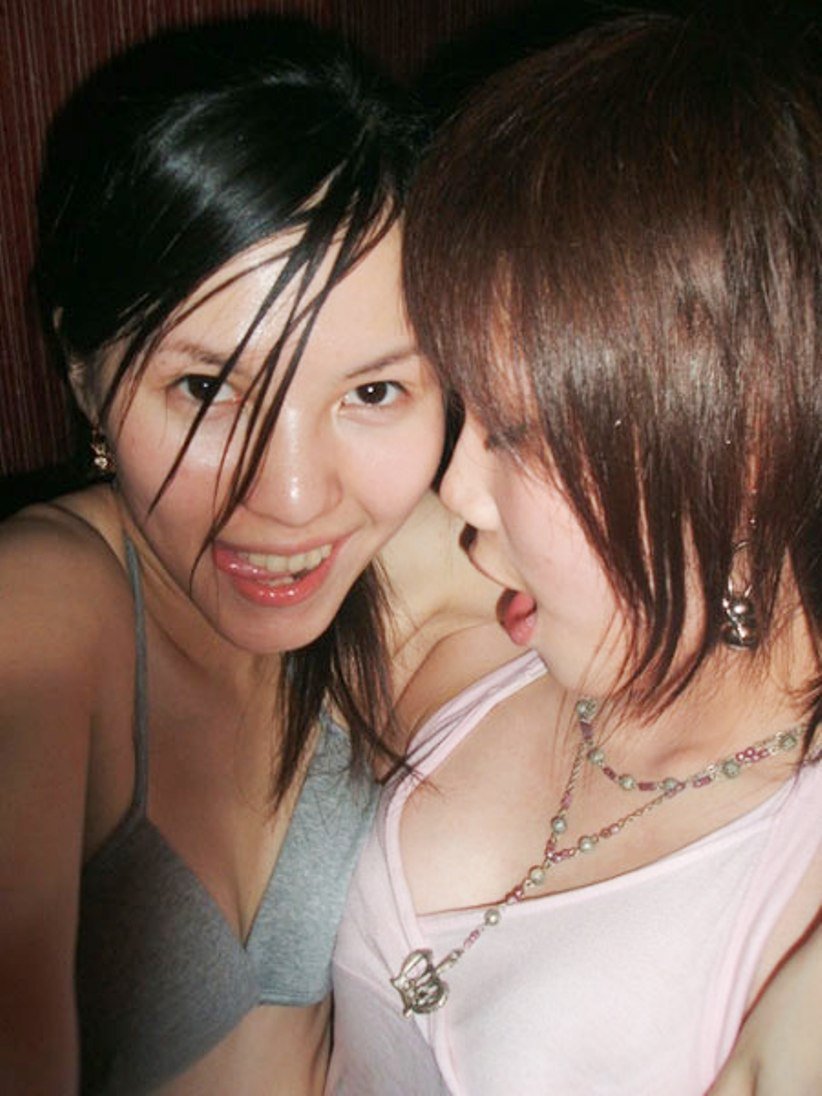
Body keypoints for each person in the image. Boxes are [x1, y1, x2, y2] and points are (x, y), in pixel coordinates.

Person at [330, 7, 822, 1093]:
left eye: (514, 432)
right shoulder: (488, 603)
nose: (461, 488)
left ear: (738, 444)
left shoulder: (796, 906)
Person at [0, 17, 446, 1093]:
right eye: (206, 388)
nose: (289, 501)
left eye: (373, 390)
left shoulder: (412, 546)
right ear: (82, 372)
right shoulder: (43, 610)